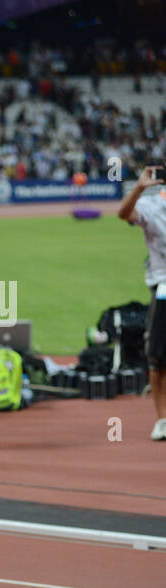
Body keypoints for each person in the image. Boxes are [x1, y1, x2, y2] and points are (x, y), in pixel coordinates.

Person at [116, 165, 166, 440]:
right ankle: (163, 420)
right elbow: (124, 214)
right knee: (159, 357)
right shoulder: (152, 204)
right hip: (164, 286)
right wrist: (138, 188)